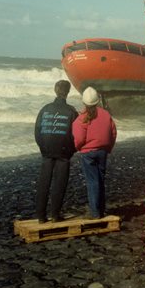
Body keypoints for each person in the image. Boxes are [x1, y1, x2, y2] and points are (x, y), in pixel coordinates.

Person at [35, 80, 78, 223]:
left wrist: (43, 147)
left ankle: (41, 216)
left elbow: (37, 131)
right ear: (68, 92)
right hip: (64, 152)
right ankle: (54, 215)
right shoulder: (71, 111)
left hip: (47, 150)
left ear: (55, 90)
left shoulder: (45, 109)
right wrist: (71, 150)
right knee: (60, 182)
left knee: (44, 182)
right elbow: (76, 134)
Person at [72, 86, 117, 219]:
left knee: (92, 181)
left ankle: (95, 212)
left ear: (84, 102)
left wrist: (78, 148)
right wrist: (109, 148)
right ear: (97, 101)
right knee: (100, 180)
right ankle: (101, 210)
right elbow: (113, 133)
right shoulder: (106, 114)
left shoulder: (82, 118)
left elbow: (79, 138)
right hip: (102, 151)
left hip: (88, 153)